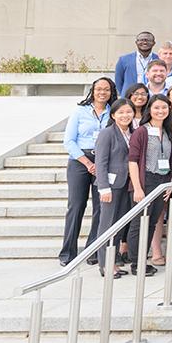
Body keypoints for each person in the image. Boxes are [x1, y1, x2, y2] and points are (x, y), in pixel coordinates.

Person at [59, 77, 115, 266]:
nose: (102, 93)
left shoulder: (113, 112)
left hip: (104, 160)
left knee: (100, 208)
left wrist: (99, 163)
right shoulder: (79, 111)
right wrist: (87, 164)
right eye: (99, 89)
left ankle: (92, 251)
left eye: (106, 90)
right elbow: (69, 141)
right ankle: (68, 253)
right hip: (80, 161)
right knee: (76, 206)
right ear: (92, 90)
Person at [123, 95, 172, 276]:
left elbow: (169, 159)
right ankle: (135, 263)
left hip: (162, 181)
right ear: (149, 110)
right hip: (145, 180)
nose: (160, 111)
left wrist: (170, 182)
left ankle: (142, 260)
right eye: (156, 108)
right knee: (139, 223)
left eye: (164, 107)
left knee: (153, 222)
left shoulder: (168, 131)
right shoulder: (142, 132)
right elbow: (132, 161)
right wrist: (137, 188)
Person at [94, 99, 136, 277]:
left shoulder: (132, 133)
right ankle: (104, 264)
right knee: (107, 225)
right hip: (110, 187)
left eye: (128, 112)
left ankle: (114, 261)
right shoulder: (107, 133)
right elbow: (101, 162)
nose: (125, 115)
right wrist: (103, 187)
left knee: (118, 225)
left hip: (126, 185)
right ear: (113, 115)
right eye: (121, 112)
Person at [114, 32, 158, 97]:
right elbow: (118, 81)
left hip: (152, 96)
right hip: (129, 97)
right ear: (136, 42)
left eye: (148, 40)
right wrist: (125, 93)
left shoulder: (159, 59)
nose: (145, 42)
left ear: (154, 43)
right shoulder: (124, 60)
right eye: (141, 40)